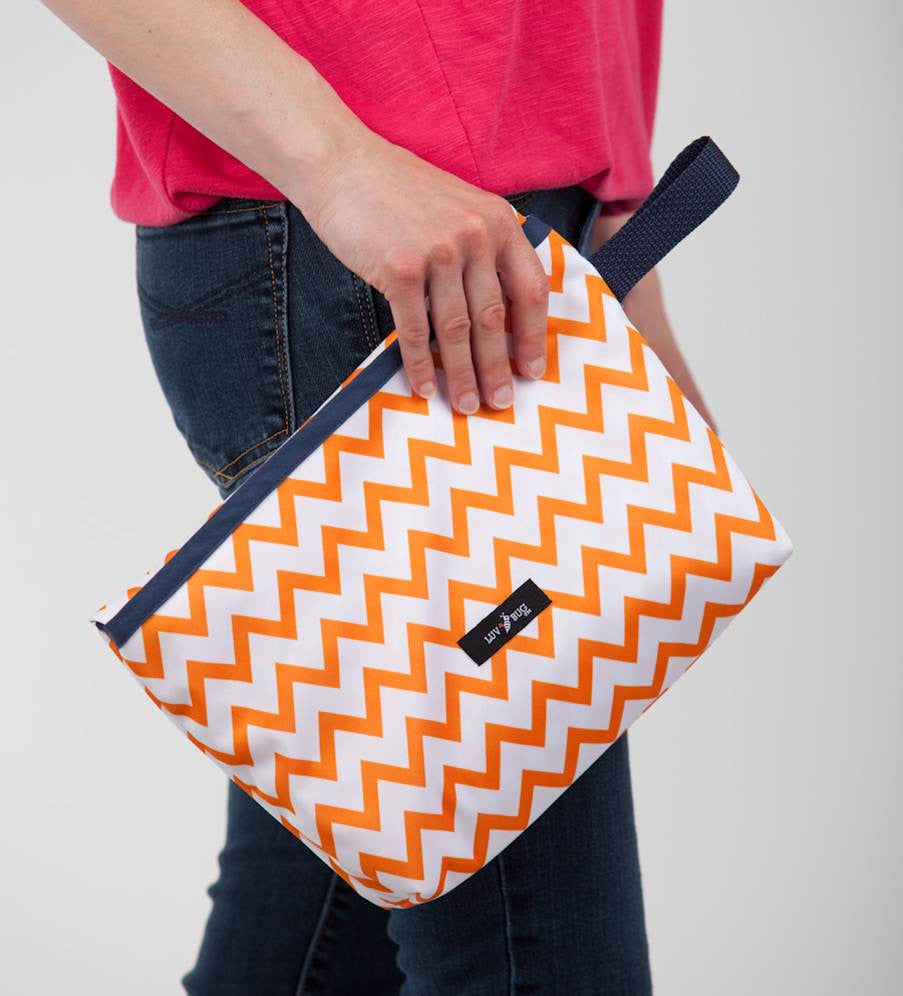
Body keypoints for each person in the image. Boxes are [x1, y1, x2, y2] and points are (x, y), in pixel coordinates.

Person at [42, 1, 715, 991]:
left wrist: (616, 228)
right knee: (540, 956)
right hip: (374, 247)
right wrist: (339, 166)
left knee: (328, 912)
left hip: (502, 240)